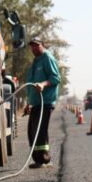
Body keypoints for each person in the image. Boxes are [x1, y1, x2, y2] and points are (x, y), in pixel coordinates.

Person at [23, 37, 61, 168]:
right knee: (32, 131)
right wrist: (28, 103)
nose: (34, 48)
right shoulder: (36, 61)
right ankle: (38, 160)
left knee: (40, 131)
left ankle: (44, 160)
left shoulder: (47, 58)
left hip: (46, 101)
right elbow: (31, 84)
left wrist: (44, 84)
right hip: (36, 103)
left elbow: (55, 78)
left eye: (36, 45)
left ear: (42, 46)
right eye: (32, 46)